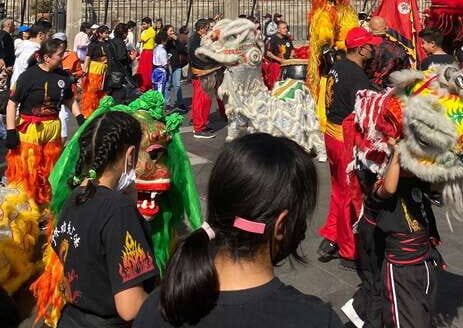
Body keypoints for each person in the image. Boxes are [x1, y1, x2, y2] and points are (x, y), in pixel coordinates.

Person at [133, 133, 343, 328]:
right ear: (281, 226)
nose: (304, 229)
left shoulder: (157, 308)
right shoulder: (315, 320)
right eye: (302, 218)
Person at [32, 110, 157, 327]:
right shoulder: (119, 210)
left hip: (71, 319)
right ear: (130, 155)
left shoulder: (74, 198)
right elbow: (130, 307)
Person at [318, 26, 379, 266]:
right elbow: (363, 114)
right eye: (370, 46)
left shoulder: (338, 66)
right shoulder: (356, 76)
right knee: (351, 195)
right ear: (362, 49)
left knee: (338, 190)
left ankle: (331, 236)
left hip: (331, 136)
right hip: (344, 140)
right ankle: (348, 249)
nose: (373, 49)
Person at [373, 136, 443, 328]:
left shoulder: (419, 182)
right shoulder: (381, 186)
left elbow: (440, 182)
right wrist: (396, 153)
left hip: (425, 261)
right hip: (401, 269)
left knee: (425, 316)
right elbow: (389, 187)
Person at [5, 37, 83, 206]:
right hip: (31, 129)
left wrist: (80, 118)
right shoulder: (28, 76)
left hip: (53, 127)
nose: (64, 57)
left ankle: (44, 205)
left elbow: (69, 100)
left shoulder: (63, 77)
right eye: (60, 54)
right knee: (29, 170)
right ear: (47, 58)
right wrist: (11, 132)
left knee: (49, 169)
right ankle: (26, 207)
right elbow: (12, 104)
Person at [190, 19, 225, 140]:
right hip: (202, 74)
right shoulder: (197, 40)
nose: (208, 30)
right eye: (207, 28)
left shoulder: (196, 38)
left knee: (202, 101)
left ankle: (201, 125)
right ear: (202, 29)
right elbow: (198, 57)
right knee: (202, 102)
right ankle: (199, 128)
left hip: (203, 73)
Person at [365, 16, 410, 85]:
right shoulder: (400, 49)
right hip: (390, 91)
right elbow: (406, 75)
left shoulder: (363, 47)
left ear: (369, 29)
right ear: (386, 28)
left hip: (364, 90)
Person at [81, 25, 110, 118]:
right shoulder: (93, 44)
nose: (107, 34)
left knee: (102, 91)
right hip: (94, 69)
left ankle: (99, 110)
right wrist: (84, 70)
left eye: (107, 32)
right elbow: (88, 58)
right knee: (92, 91)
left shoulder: (108, 43)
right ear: (100, 34)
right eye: (105, 32)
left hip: (104, 69)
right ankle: (88, 112)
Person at [10, 21, 49, 89]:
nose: (50, 39)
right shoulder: (34, 51)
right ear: (40, 35)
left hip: (16, 86)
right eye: (49, 35)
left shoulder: (25, 46)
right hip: (24, 90)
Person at [106, 23, 137, 104]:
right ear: (123, 33)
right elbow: (121, 58)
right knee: (120, 95)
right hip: (119, 72)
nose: (127, 34)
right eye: (126, 32)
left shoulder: (112, 41)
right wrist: (131, 58)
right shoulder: (120, 42)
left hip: (111, 70)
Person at [263, 20, 294, 90]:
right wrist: (280, 60)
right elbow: (268, 53)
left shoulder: (287, 38)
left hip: (287, 64)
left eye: (286, 28)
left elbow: (292, 49)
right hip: (276, 65)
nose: (286, 30)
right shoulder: (273, 39)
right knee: (277, 85)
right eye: (284, 28)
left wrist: (291, 56)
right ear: (278, 30)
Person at [166, 25, 188, 113]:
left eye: (173, 31)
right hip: (168, 65)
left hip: (176, 64)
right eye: (170, 31)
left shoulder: (176, 40)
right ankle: (167, 104)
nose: (172, 32)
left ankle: (180, 103)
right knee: (167, 85)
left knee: (177, 85)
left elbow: (183, 50)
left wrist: (176, 40)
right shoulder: (165, 41)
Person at [137, 17, 156, 92]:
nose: (143, 26)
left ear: (149, 24)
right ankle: (144, 84)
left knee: (145, 69)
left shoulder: (150, 31)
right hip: (146, 51)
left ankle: (145, 85)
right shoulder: (148, 30)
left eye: (144, 24)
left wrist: (139, 31)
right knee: (144, 69)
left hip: (148, 51)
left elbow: (139, 40)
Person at [152, 30, 169, 97]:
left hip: (155, 70)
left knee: (155, 89)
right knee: (160, 91)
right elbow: (165, 65)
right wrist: (168, 62)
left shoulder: (155, 49)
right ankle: (159, 106)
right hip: (161, 72)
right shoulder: (162, 51)